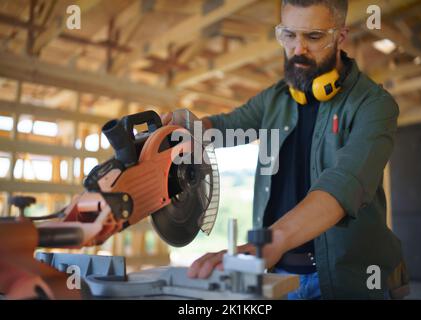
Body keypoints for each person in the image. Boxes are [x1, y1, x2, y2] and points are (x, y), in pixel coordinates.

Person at [162, 0, 408, 300]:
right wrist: (186, 128)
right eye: (288, 35)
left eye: (313, 37)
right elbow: (227, 126)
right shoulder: (275, 99)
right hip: (279, 277)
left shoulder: (374, 105)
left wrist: (270, 242)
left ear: (340, 36)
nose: (297, 49)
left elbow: (345, 184)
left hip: (350, 282)